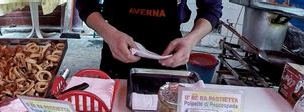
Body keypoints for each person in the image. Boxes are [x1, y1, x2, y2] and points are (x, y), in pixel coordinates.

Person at [76, 0, 223, 78]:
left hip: (170, 53)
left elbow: (211, 9)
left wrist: (191, 40)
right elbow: (85, 4)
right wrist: (108, 33)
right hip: (118, 49)